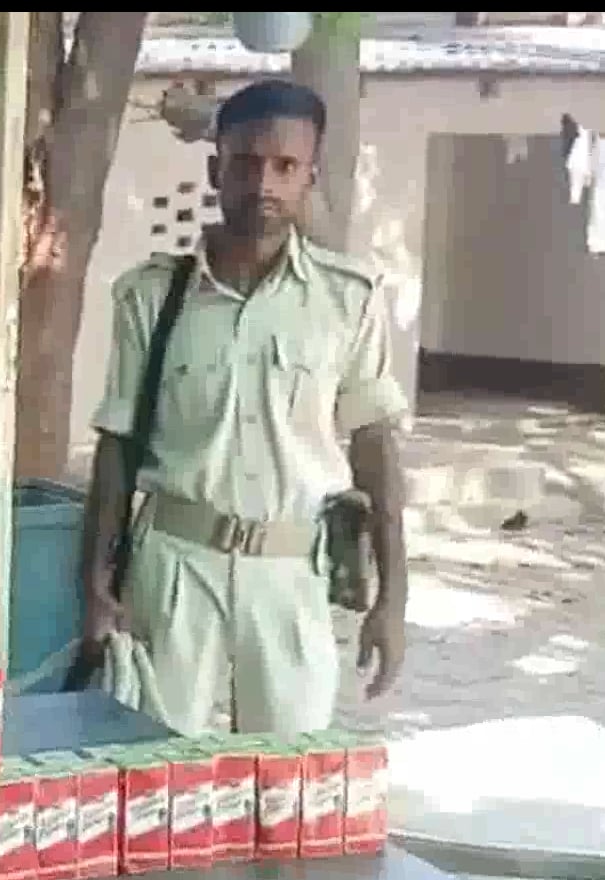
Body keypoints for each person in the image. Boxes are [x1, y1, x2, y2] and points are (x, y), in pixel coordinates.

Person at [79, 78, 409, 738]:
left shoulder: (348, 299)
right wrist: (93, 586)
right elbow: (117, 445)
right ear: (216, 169)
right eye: (246, 163)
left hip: (291, 572)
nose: (263, 183)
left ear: (310, 176)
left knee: (288, 775)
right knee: (156, 769)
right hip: (174, 566)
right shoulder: (151, 297)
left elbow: (374, 447)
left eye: (285, 166)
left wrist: (392, 600)